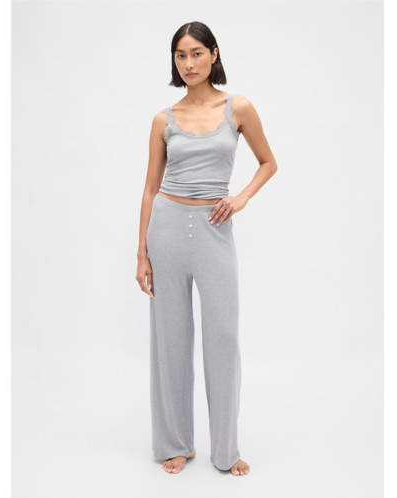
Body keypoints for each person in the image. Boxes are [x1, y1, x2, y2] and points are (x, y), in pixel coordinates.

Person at [136, 21, 277, 476]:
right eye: (180, 55)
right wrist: (141, 254)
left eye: (197, 53)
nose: (189, 63)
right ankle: (175, 442)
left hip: (214, 230)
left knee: (223, 339)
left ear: (214, 54)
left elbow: (268, 162)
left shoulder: (238, 107)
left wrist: (241, 197)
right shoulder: (164, 119)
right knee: (170, 340)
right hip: (166, 230)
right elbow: (150, 188)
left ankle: (225, 450)